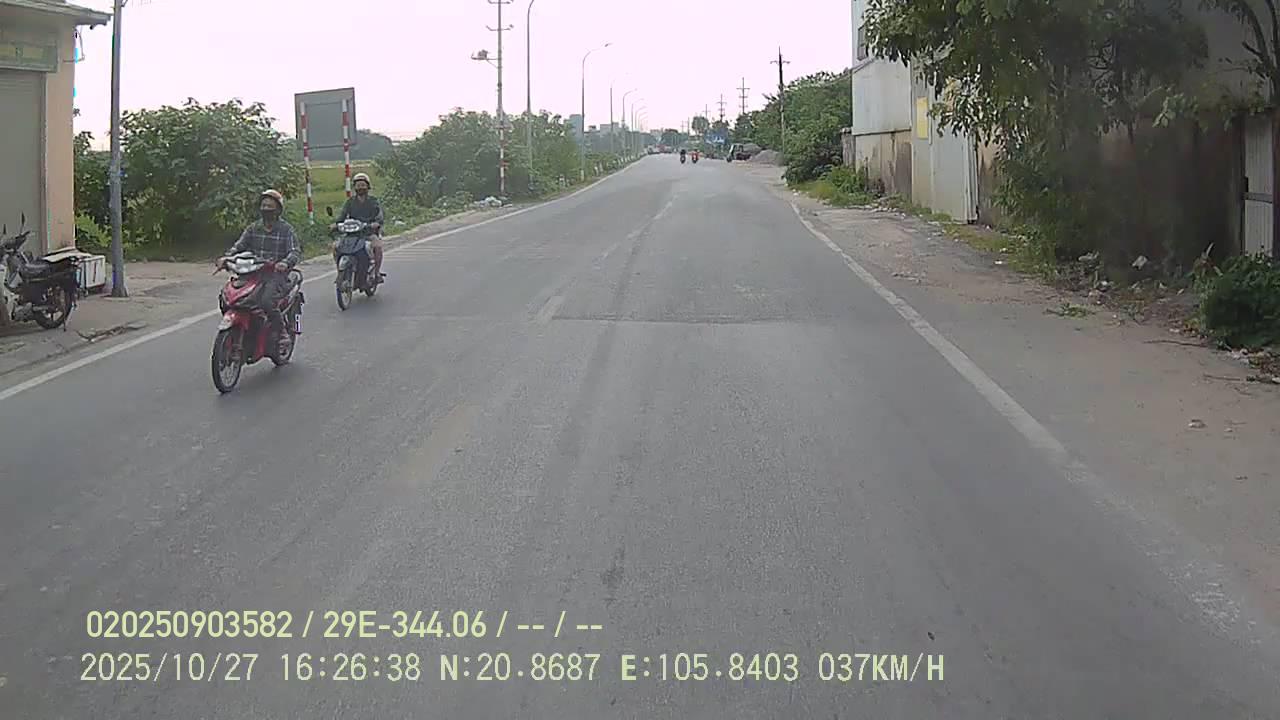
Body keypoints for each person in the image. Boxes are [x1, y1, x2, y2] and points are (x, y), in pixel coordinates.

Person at [222, 189, 301, 354]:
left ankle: (282, 333)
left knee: (266, 302)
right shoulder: (254, 228)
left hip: (275, 275)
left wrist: (284, 263)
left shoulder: (286, 229)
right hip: (252, 272)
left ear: (278, 209)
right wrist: (227, 257)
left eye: (270, 206)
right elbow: (239, 246)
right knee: (228, 297)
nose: (266, 209)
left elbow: (294, 252)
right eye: (264, 206)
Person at [331, 172, 385, 281]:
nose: (360, 188)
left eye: (363, 185)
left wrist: (376, 223)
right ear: (355, 187)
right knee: (336, 247)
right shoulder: (350, 202)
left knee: (377, 247)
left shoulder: (373, 201)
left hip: (368, 233)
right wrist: (336, 224)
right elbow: (342, 216)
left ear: (367, 187)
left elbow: (379, 216)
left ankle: (376, 273)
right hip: (352, 234)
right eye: (358, 185)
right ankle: (340, 272)